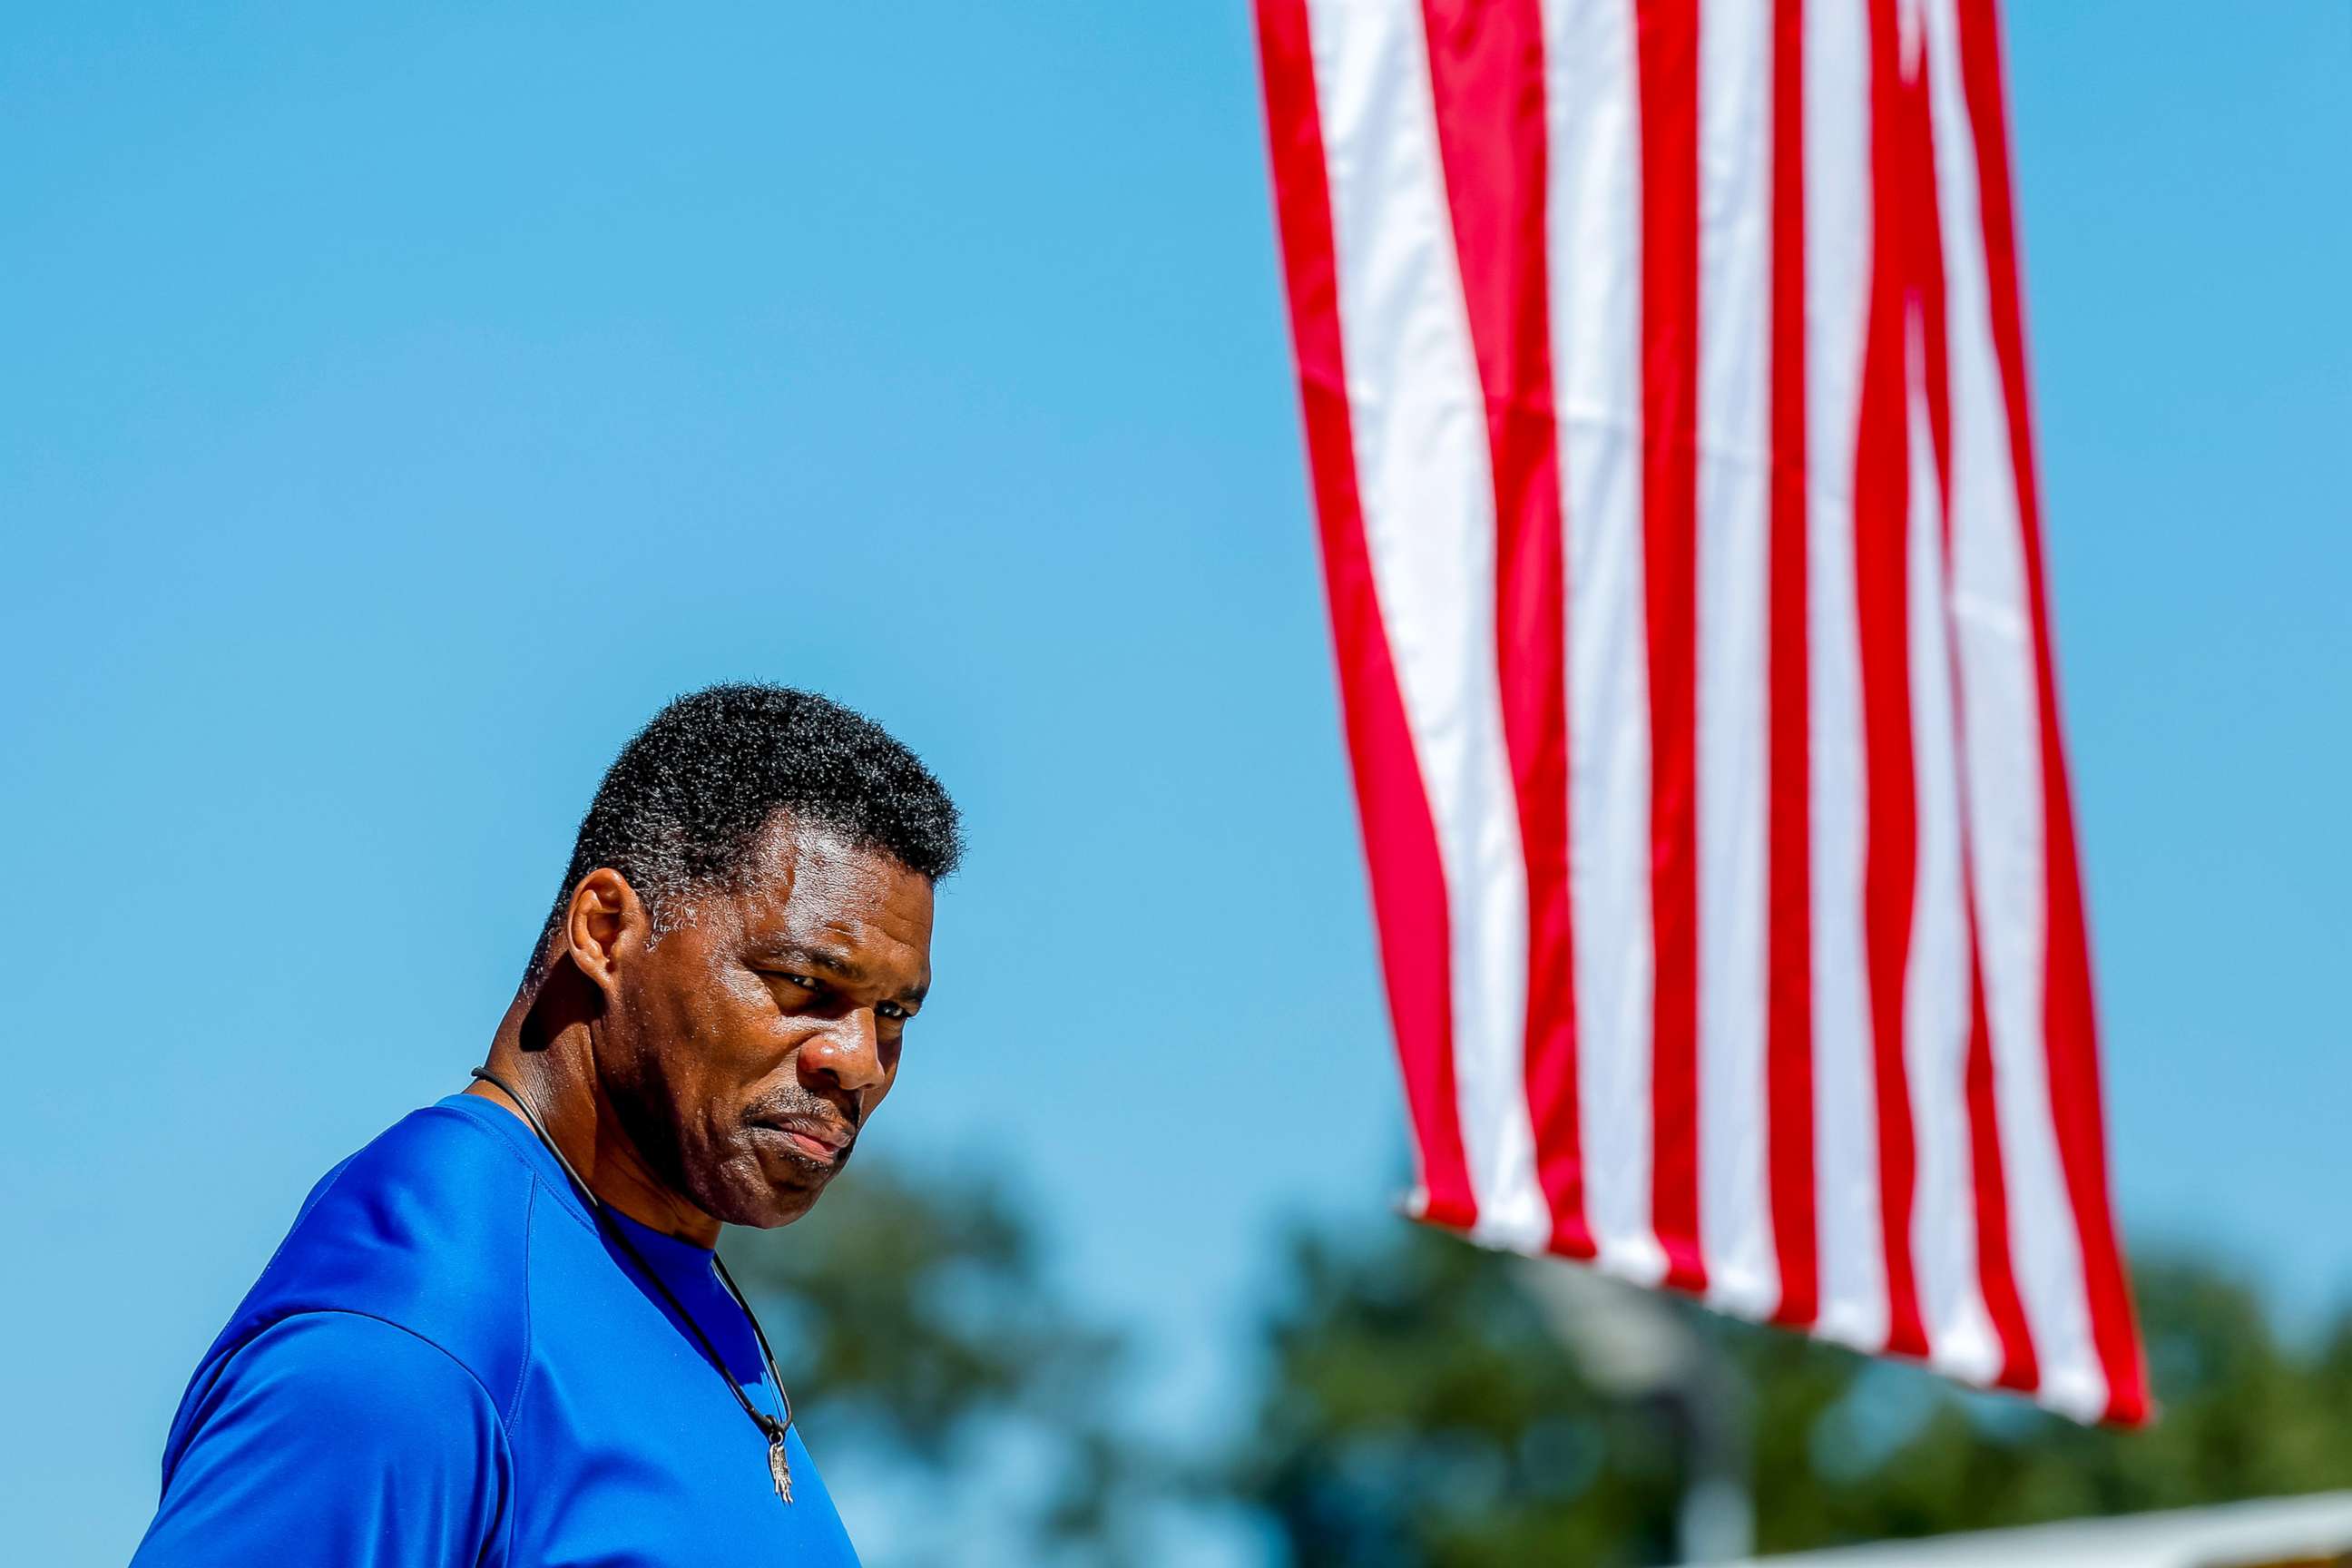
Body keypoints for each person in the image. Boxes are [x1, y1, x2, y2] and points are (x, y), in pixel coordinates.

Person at [130, 683, 962, 1566]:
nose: (860, 1061)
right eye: (804, 986)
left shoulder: (681, 1296)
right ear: (605, 932)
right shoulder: (418, 1330)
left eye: (894, 1015)